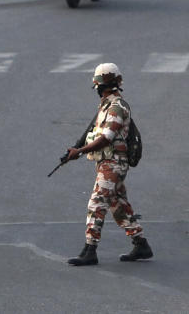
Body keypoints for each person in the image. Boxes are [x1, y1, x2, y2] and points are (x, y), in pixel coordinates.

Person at [63, 63, 153, 266]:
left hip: (113, 164)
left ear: (99, 85)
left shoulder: (116, 107)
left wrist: (80, 151)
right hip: (108, 163)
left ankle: (90, 249)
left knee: (96, 204)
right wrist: (79, 149)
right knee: (118, 204)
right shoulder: (106, 106)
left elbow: (106, 138)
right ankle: (141, 244)